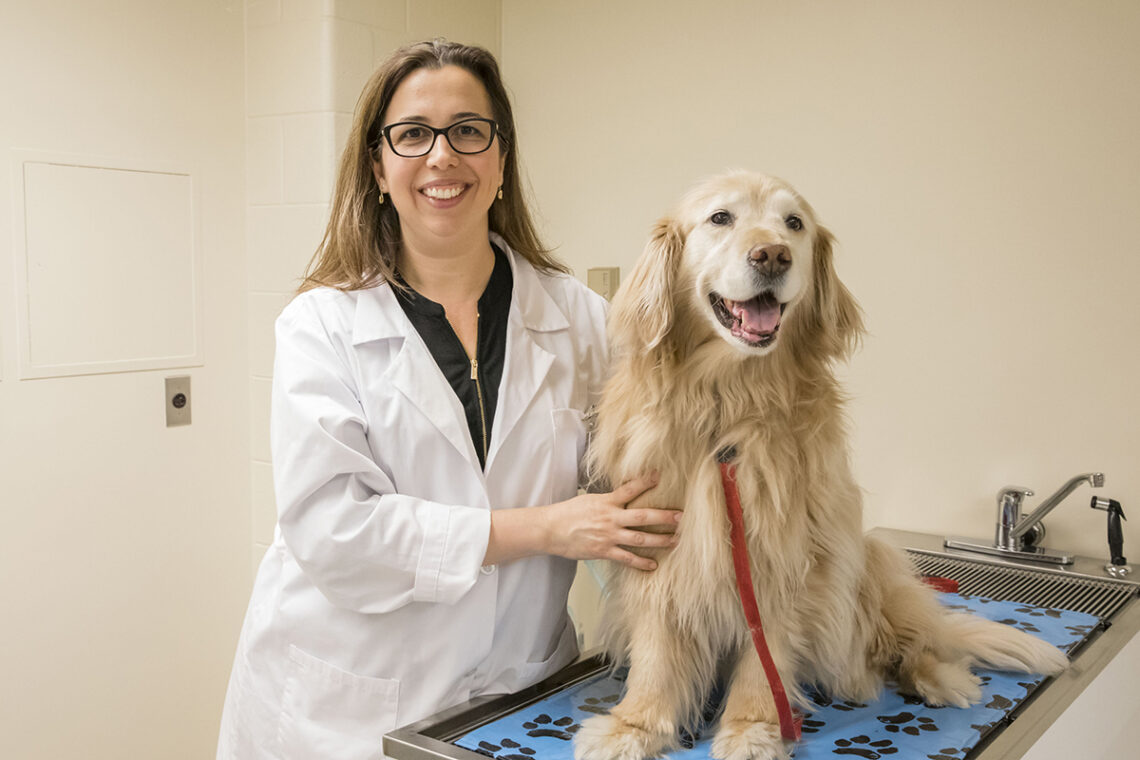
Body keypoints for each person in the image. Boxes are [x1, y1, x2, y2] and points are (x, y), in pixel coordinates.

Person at [216, 39, 680, 760]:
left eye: (469, 130)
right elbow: (336, 534)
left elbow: (634, 484)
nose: (442, 156)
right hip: (345, 710)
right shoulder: (322, 325)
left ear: (501, 159)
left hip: (518, 698)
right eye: (412, 134)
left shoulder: (582, 320)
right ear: (378, 167)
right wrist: (546, 529)